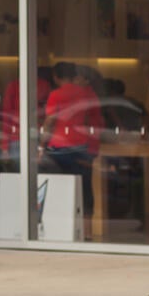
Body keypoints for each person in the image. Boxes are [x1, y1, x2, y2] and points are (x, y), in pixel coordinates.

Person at [41, 61, 104, 220]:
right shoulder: (86, 93)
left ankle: (60, 223)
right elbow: (93, 119)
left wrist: (41, 145)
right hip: (81, 146)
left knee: (58, 186)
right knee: (84, 186)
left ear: (56, 77)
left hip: (58, 147)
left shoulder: (56, 94)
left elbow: (50, 122)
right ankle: (88, 229)